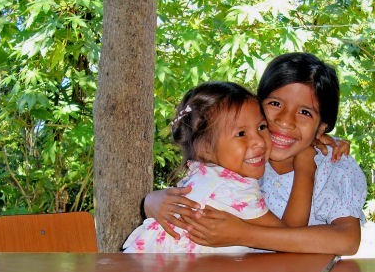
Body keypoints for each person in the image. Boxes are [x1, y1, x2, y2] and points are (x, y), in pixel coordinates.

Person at [144, 52, 367, 255]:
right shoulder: (241, 156)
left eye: (305, 112)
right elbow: (197, 190)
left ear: (321, 128)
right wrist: (150, 202)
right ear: (257, 105)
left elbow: (347, 241)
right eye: (275, 103)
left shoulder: (334, 164)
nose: (285, 121)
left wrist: (243, 233)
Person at [123, 81, 316, 253]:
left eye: (261, 127)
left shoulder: (203, 174)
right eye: (241, 134)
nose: (259, 141)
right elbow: (290, 236)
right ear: (206, 148)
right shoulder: (234, 189)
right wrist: (305, 169)